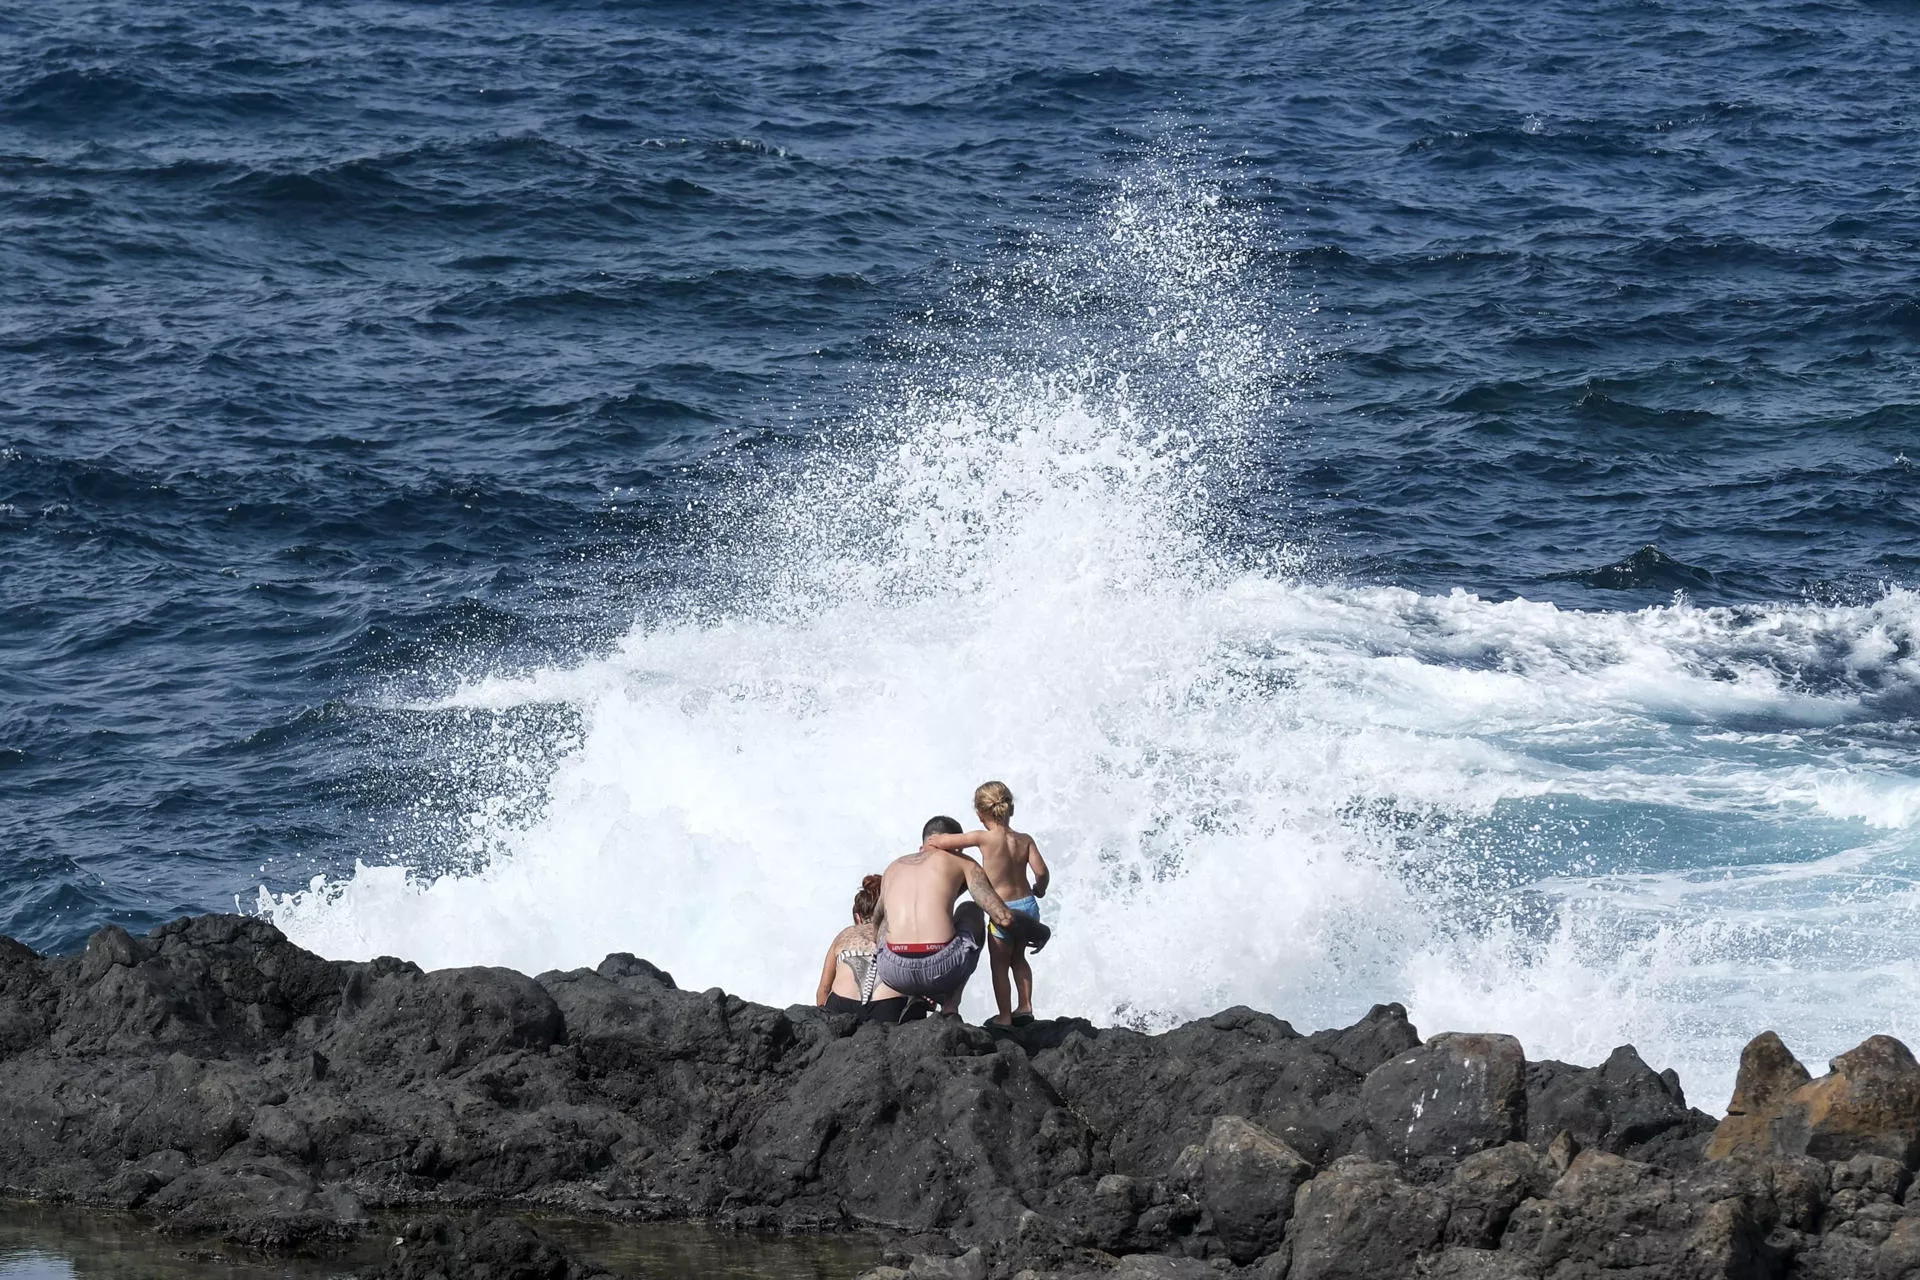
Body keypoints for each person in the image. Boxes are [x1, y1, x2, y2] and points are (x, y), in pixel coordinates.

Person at [921, 781, 1050, 1027]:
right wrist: (1039, 889)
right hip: (1028, 907)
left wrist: (933, 842)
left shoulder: (982, 838)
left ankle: (1004, 1017)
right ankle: (1025, 1006)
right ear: (1010, 809)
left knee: (1000, 966)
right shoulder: (1024, 840)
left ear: (980, 814)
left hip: (1003, 910)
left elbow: (946, 841)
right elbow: (1042, 872)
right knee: (1019, 959)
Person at [867, 815, 1018, 1016]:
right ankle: (951, 1004)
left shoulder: (893, 867)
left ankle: (916, 997)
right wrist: (1038, 931)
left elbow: (876, 921)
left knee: (887, 917)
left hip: (893, 971)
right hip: (944, 967)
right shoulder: (962, 862)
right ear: (954, 843)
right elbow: (1001, 916)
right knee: (970, 909)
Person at [813, 873, 926, 1023]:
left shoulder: (845, 935)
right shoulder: (904, 934)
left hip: (841, 1004)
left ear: (858, 917)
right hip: (888, 1005)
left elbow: (824, 989)